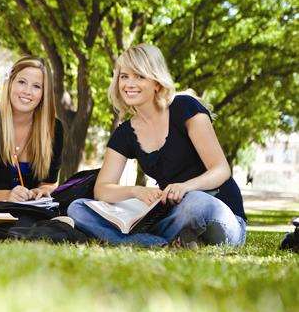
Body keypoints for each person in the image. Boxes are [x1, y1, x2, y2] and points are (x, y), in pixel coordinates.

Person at [68, 43, 247, 247]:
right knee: (78, 208)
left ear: (157, 83)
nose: (129, 83)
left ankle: (150, 240)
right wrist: (136, 191)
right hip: (171, 215)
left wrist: (186, 187)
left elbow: (221, 170)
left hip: (219, 214)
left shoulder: (185, 107)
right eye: (124, 76)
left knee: (196, 202)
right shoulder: (125, 133)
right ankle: (161, 242)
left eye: (139, 76)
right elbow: (102, 189)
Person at [0, 56, 64, 201]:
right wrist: (7, 195)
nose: (27, 91)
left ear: (44, 94)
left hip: (34, 215)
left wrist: (41, 190)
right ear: (10, 83)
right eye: (22, 82)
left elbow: (50, 183)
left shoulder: (54, 129)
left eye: (37, 86)